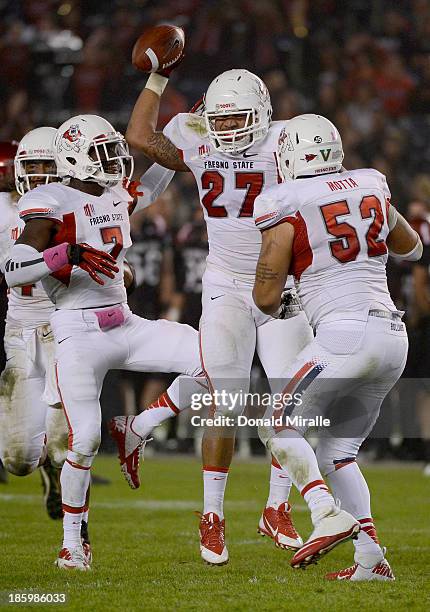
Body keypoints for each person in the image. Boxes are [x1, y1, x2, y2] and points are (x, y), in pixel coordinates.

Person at [123, 64, 315, 565]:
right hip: (227, 283)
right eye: (221, 119)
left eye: (239, 119)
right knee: (224, 400)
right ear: (209, 116)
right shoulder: (195, 136)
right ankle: (212, 517)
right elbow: (140, 137)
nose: (228, 129)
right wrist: (156, 78)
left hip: (282, 283)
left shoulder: (286, 142)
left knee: (291, 399)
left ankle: (277, 507)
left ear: (264, 115)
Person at [5, 114, 208, 571]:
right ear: (75, 157)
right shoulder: (50, 198)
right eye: (103, 152)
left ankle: (139, 426)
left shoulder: (115, 192)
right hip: (76, 330)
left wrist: (179, 131)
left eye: (115, 149)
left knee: (215, 358)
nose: (116, 159)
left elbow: (155, 180)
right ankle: (72, 546)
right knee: (84, 441)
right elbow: (15, 269)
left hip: (125, 323)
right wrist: (67, 252)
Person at [252, 113, 422, 577]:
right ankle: (371, 560)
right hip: (391, 337)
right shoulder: (370, 183)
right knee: (336, 453)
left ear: (289, 156)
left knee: (277, 424)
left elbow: (266, 298)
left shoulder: (284, 199)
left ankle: (325, 513)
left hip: (346, 335)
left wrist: (288, 295)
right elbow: (412, 248)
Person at [0, 132, 68, 520]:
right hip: (20, 333)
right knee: (17, 459)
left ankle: (77, 539)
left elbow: (141, 196)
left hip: (66, 330)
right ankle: (45, 469)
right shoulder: (4, 211)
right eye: (33, 166)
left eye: (49, 166)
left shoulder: (75, 204)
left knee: (68, 441)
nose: (41, 175)